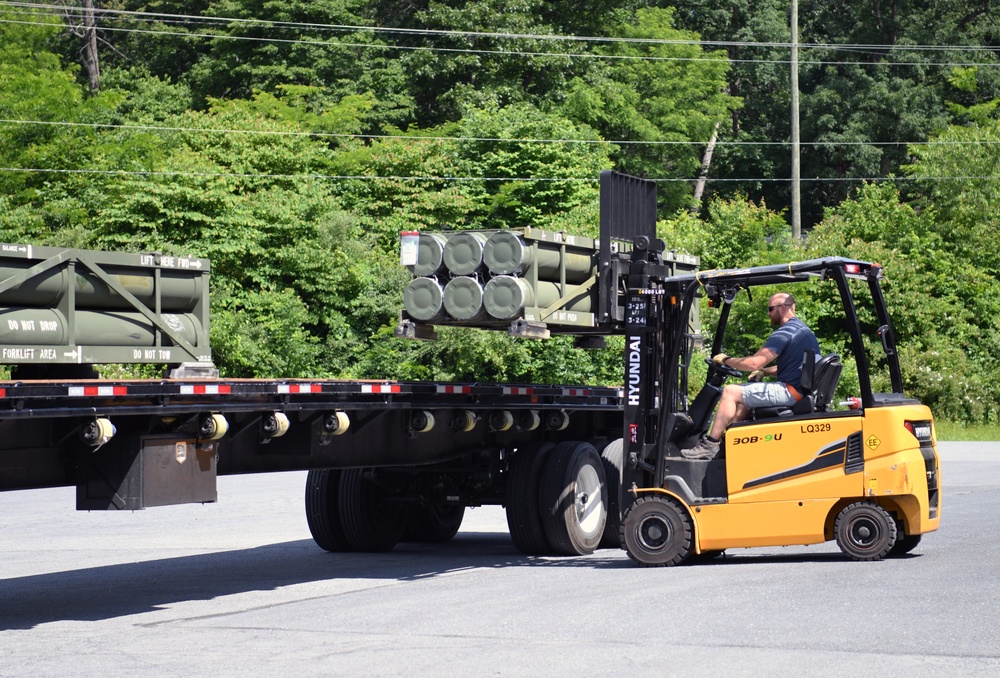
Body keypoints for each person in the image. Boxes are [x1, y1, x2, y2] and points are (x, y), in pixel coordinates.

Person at [682, 292, 820, 460]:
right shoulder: (805, 332)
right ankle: (728, 444)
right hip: (797, 391)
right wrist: (765, 372)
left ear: (783, 308)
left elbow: (754, 363)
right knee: (744, 398)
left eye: (770, 309)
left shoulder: (785, 333)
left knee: (730, 392)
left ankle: (710, 444)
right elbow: (797, 366)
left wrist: (726, 360)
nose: (768, 314)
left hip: (790, 392)